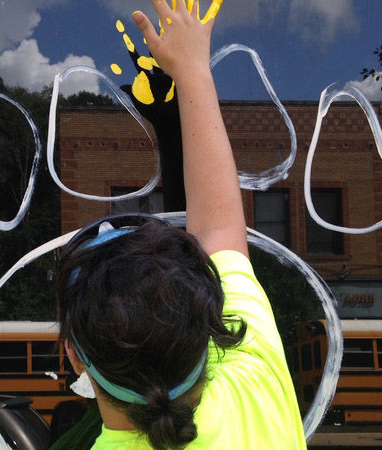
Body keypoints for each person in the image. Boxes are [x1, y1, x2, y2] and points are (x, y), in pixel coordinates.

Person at [55, 1, 306, 448]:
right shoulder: (255, 384)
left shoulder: (253, 373)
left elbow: (217, 230)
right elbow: (220, 224)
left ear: (75, 358)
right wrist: (192, 70)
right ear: (212, 330)